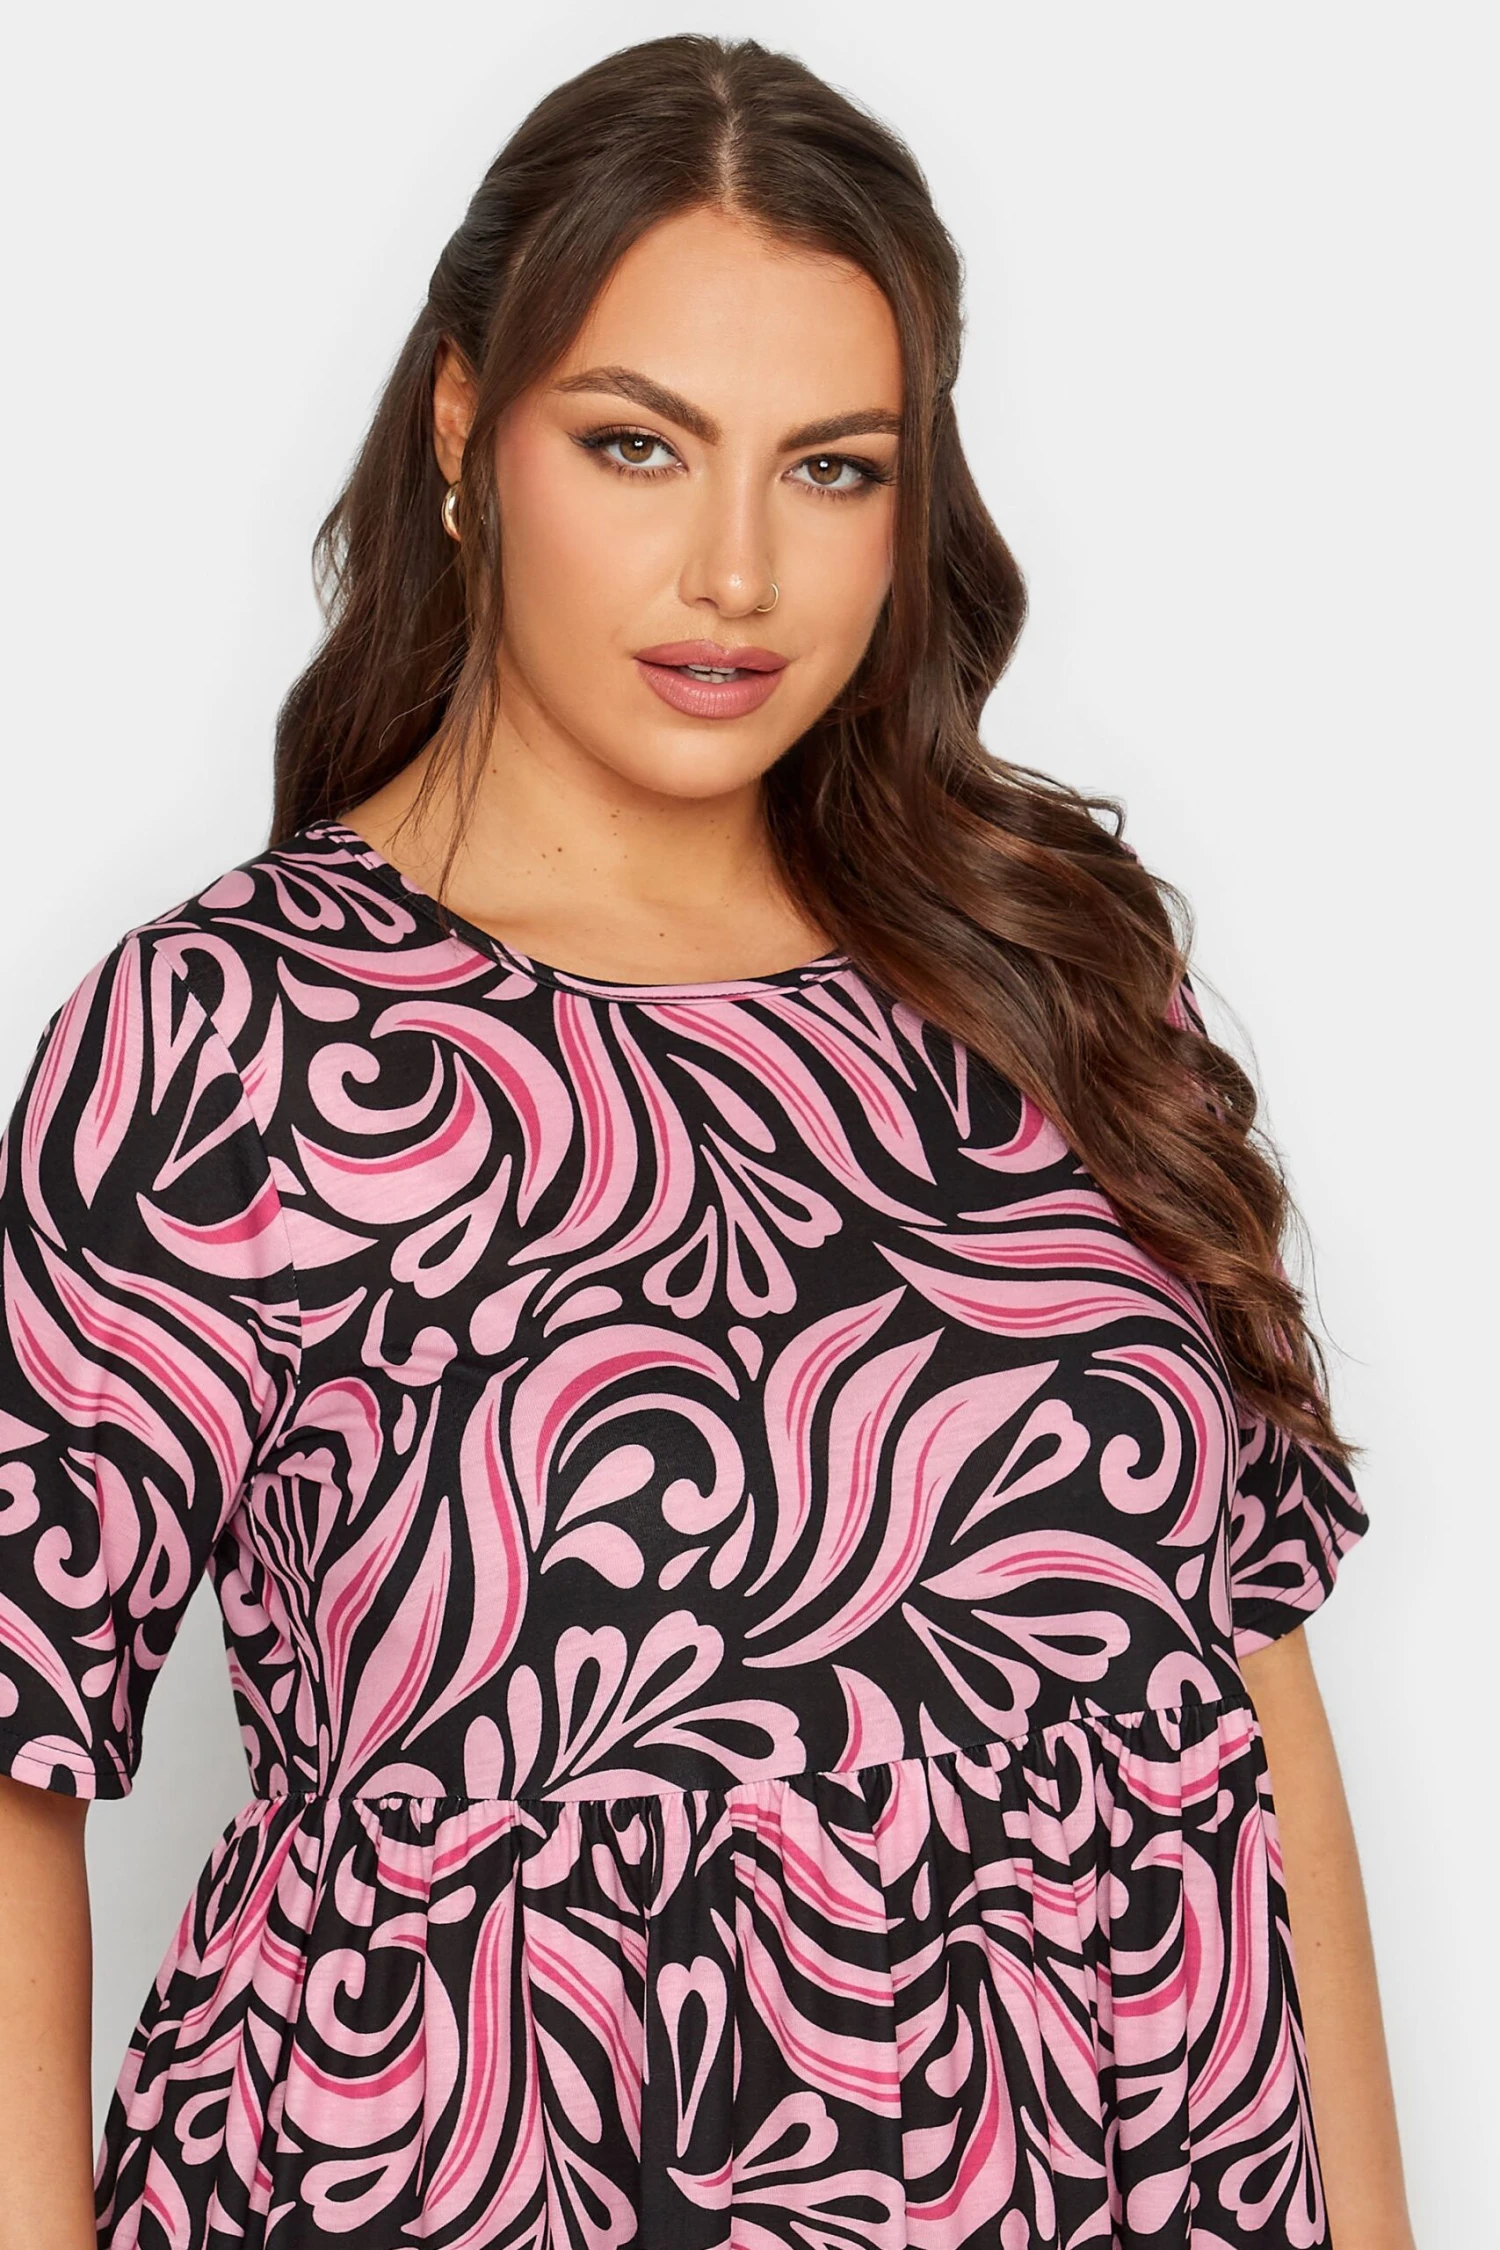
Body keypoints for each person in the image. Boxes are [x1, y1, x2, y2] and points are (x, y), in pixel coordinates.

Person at [0, 31, 1413, 2250]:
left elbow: (1250, 1717)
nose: (735, 572)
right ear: (463, 428)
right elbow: (16, 1773)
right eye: (638, 445)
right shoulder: (225, 1042)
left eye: (832, 469)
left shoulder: (1048, 972)